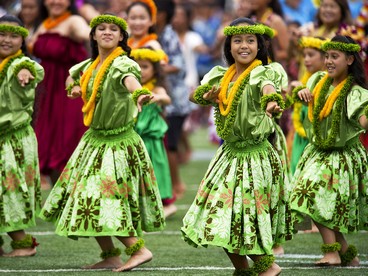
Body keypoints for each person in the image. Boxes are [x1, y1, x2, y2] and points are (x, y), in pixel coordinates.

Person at [39, 14, 165, 271]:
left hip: (117, 143)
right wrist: (73, 86)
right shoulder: (90, 64)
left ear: (121, 37)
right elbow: (71, 75)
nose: (107, 32)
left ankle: (138, 249)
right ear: (93, 36)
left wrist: (139, 94)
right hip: (95, 141)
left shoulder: (122, 64)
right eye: (101, 29)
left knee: (104, 197)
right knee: (86, 196)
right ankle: (110, 254)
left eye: (113, 29)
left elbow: (130, 82)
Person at [181, 17, 293, 276]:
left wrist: (271, 102)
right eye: (238, 40)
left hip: (254, 156)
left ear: (260, 46)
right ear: (228, 46)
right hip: (228, 155)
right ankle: (243, 271)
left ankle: (268, 266)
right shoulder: (220, 74)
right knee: (218, 216)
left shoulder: (263, 72)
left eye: (250, 41)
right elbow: (193, 95)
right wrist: (204, 95)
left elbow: (268, 89)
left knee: (242, 215)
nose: (244, 45)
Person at [290, 35, 368, 267]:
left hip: (342, 155)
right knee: (313, 199)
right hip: (317, 152)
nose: (329, 61)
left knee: (312, 196)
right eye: (327, 56)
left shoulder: (354, 92)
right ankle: (346, 255)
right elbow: (305, 95)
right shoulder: (317, 80)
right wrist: (302, 93)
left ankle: (332, 253)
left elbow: (362, 118)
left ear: (350, 59)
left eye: (335, 57)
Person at [28, 0, 90, 185]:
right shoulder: (44, 25)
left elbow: (86, 33)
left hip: (69, 90)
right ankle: (60, 199)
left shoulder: (73, 21)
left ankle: (79, 196)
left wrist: (99, 26)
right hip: (47, 93)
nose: (56, 1)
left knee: (69, 141)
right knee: (48, 145)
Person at [0, 14, 44, 257]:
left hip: (13, 139)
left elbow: (33, 68)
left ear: (22, 40)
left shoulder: (20, 64)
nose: (6, 40)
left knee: (8, 189)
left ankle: (23, 243)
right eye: (2, 34)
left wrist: (25, 72)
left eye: (13, 35)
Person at [131, 46, 177, 218]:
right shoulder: (130, 88)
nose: (141, 71)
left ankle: (165, 204)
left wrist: (157, 98)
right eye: (137, 66)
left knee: (155, 170)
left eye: (145, 66)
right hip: (134, 138)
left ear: (155, 70)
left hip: (151, 141)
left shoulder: (156, 89)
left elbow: (166, 98)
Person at [155, 0, 191, 199]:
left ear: (164, 14)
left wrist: (153, 67)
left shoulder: (168, 35)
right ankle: (172, 185)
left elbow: (177, 65)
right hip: (162, 99)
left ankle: (176, 185)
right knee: (165, 143)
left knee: (170, 144)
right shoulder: (155, 34)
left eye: (156, 11)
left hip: (175, 101)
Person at [289, 36, 326, 174]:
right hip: (300, 139)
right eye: (304, 55)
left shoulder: (327, 83)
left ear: (324, 58)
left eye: (311, 55)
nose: (306, 60)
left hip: (316, 141)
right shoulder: (305, 80)